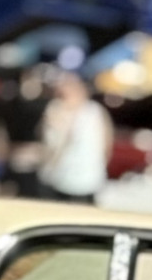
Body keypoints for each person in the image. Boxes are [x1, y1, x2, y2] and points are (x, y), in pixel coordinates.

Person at [33, 71, 112, 204]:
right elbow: (47, 141)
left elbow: (107, 142)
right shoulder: (54, 109)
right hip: (58, 178)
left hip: (89, 179)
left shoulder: (94, 111)